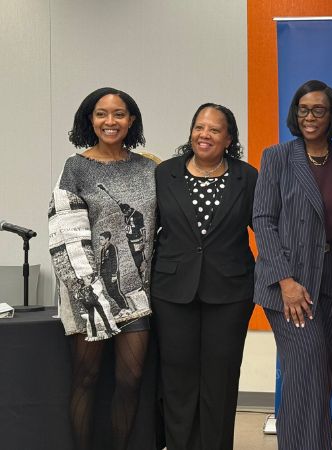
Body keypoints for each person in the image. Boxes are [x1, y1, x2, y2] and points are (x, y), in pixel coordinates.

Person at [48, 87, 156, 450]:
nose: (111, 121)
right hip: (88, 293)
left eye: (119, 114)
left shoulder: (149, 167)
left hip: (135, 293)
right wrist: (90, 292)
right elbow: (65, 232)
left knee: (131, 380)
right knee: (86, 379)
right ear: (90, 120)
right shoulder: (75, 167)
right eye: (101, 114)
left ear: (131, 120)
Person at [253, 80, 332, 450]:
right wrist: (285, 281)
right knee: (307, 366)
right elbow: (263, 220)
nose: (310, 117)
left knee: (319, 375)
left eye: (318, 110)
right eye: (303, 110)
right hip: (289, 286)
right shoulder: (277, 157)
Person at [151, 103, 258, 450]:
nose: (204, 135)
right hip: (172, 291)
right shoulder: (164, 173)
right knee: (177, 378)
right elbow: (148, 229)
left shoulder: (247, 177)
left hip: (230, 292)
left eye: (214, 129)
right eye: (199, 127)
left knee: (221, 378)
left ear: (229, 138)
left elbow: (266, 228)